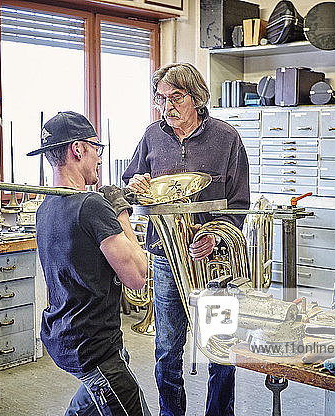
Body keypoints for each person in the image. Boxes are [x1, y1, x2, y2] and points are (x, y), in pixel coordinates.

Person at [123, 63, 250, 416]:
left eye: (175, 97)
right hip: (165, 256)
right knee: (166, 349)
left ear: (197, 97)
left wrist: (214, 235)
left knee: (220, 349)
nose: (167, 106)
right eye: (160, 98)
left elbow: (239, 202)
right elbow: (132, 179)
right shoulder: (152, 135)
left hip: (215, 261)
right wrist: (134, 184)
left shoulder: (227, 138)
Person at [28, 111, 151, 416]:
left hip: (63, 334)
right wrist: (121, 211)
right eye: (97, 148)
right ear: (78, 149)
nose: (99, 157)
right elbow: (137, 276)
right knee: (116, 391)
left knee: (91, 400)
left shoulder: (45, 208)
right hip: (94, 347)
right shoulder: (92, 205)